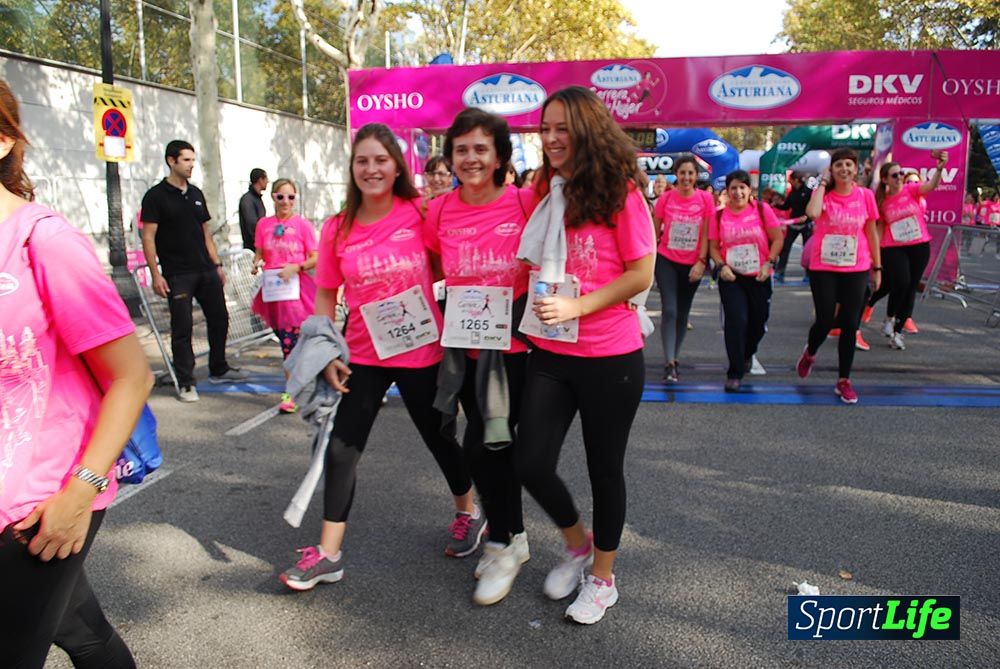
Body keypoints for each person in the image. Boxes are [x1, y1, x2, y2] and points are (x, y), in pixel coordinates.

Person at [279, 123, 479, 591]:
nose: (371, 169)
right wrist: (327, 351)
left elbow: (445, 267)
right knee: (342, 448)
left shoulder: (420, 213)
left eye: (380, 160)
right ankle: (329, 553)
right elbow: (326, 294)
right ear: (352, 169)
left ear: (396, 166)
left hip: (421, 350)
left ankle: (468, 511)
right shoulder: (337, 227)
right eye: (362, 161)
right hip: (363, 355)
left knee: (440, 439)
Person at [0, 79, 152, 668]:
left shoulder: (43, 240)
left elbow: (131, 377)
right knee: (82, 632)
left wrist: (79, 495)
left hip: (39, 503)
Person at [515, 86, 654, 624]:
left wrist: (577, 305)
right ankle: (577, 544)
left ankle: (602, 579)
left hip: (610, 357)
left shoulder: (621, 194)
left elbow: (640, 274)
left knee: (605, 471)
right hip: (551, 351)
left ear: (587, 131)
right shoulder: (547, 191)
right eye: (545, 128)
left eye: (561, 128)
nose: (550, 138)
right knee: (530, 462)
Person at [425, 108, 535, 606]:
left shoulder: (524, 202)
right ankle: (513, 536)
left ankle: (502, 543)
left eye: (480, 149)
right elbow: (430, 263)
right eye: (461, 149)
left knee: (487, 447)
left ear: (499, 158)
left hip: (513, 351)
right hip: (462, 348)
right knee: (488, 446)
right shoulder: (441, 210)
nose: (470, 158)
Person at [140, 140, 249, 402]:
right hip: (178, 274)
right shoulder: (155, 196)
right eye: (186, 160)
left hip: (205, 270)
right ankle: (186, 381)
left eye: (193, 160)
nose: (191, 165)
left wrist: (217, 265)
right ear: (171, 161)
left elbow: (206, 233)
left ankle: (218, 367)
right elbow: (148, 238)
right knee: (183, 327)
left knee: (220, 318)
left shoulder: (196, 193)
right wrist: (156, 274)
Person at [796, 149, 881, 404]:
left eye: (848, 165)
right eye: (838, 165)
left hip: (856, 267)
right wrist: (822, 182)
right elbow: (812, 214)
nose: (844, 169)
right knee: (824, 320)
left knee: (850, 325)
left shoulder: (866, 196)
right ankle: (810, 352)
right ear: (831, 170)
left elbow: (872, 233)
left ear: (856, 169)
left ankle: (844, 380)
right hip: (824, 267)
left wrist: (877, 268)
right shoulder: (824, 195)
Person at [708, 170, 784, 392]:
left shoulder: (762, 210)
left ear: (749, 190)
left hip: (759, 276)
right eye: (733, 188)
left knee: (758, 323)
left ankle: (748, 353)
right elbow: (713, 246)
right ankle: (735, 372)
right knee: (736, 321)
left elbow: (777, 238)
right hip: (732, 278)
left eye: (742, 187)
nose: (738, 192)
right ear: (727, 191)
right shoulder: (719, 216)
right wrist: (721, 266)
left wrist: (768, 262)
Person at [863, 152, 948, 349]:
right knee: (901, 281)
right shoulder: (881, 201)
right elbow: (877, 229)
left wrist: (940, 168)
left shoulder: (911, 190)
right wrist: (874, 255)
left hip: (919, 246)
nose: (900, 177)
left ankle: (897, 331)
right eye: (895, 175)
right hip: (893, 248)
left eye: (901, 173)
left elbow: (932, 185)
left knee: (911, 287)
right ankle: (888, 316)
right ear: (885, 179)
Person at [250, 178, 318, 412]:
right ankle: (305, 383)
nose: (286, 201)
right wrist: (255, 263)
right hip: (273, 293)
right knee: (288, 343)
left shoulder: (303, 225)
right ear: (273, 197)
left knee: (290, 345)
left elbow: (315, 257)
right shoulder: (263, 224)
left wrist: (296, 267)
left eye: (290, 197)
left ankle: (291, 394)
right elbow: (259, 251)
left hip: (298, 295)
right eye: (281, 196)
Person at [652, 155, 714, 382]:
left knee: (682, 312)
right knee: (670, 309)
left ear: (696, 176)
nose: (686, 178)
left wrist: (701, 261)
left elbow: (708, 233)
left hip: (693, 264)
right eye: (682, 173)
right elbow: (653, 231)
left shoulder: (706, 199)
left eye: (690, 173)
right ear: (675, 175)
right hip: (666, 259)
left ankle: (675, 357)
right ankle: (668, 362)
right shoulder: (665, 199)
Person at [772, 171, 813, 283]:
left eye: (791, 180)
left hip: (806, 224)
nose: (789, 182)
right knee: (785, 248)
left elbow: (812, 207)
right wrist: (776, 204)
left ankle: (809, 275)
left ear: (796, 180)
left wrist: (807, 217)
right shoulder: (792, 193)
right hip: (794, 224)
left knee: (807, 250)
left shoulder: (809, 192)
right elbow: (787, 206)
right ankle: (780, 273)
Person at [238, 167, 267, 251]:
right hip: (253, 248)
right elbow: (252, 226)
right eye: (266, 179)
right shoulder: (248, 200)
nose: (267, 182)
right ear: (260, 180)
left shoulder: (257, 198)